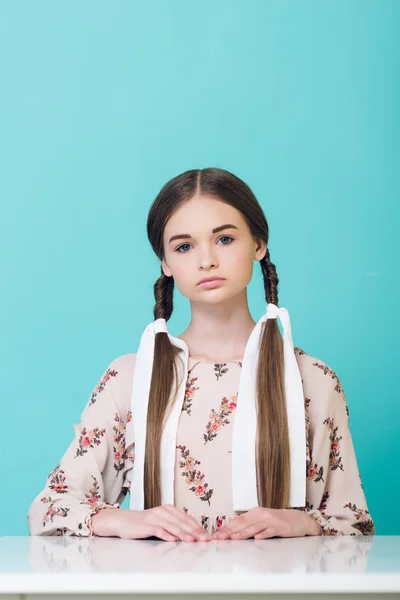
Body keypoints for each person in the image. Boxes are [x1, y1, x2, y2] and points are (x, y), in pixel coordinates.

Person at [28, 168, 375, 541]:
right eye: (184, 246)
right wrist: (126, 520)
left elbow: (353, 524)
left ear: (258, 244)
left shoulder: (312, 379)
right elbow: (49, 509)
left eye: (224, 239)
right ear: (165, 263)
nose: (206, 260)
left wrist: (304, 523)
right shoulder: (131, 379)